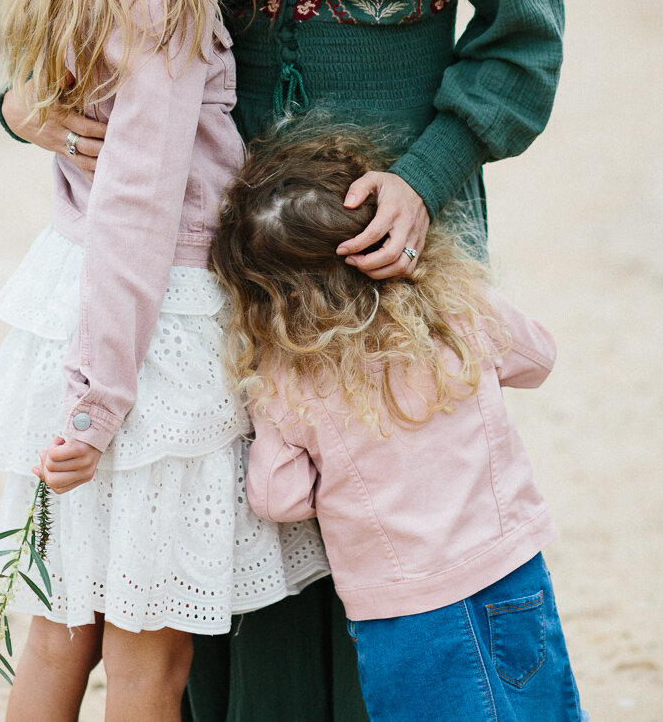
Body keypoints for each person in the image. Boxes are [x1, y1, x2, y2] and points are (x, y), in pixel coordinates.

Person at [0, 0, 565, 722]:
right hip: (214, 280)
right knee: (224, 557)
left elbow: (522, 31)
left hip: (383, 254)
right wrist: (21, 108)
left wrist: (428, 171)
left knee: (401, 543)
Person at [0, 0, 327, 722]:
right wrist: (103, 398)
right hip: (148, 350)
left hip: (73, 319)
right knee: (150, 672)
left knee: (54, 634)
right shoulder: (168, 8)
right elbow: (138, 215)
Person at [209, 119, 586, 722]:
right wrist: (448, 283)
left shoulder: (288, 380)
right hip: (512, 571)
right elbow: (537, 357)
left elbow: (278, 497)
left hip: (405, 612)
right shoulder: (455, 312)